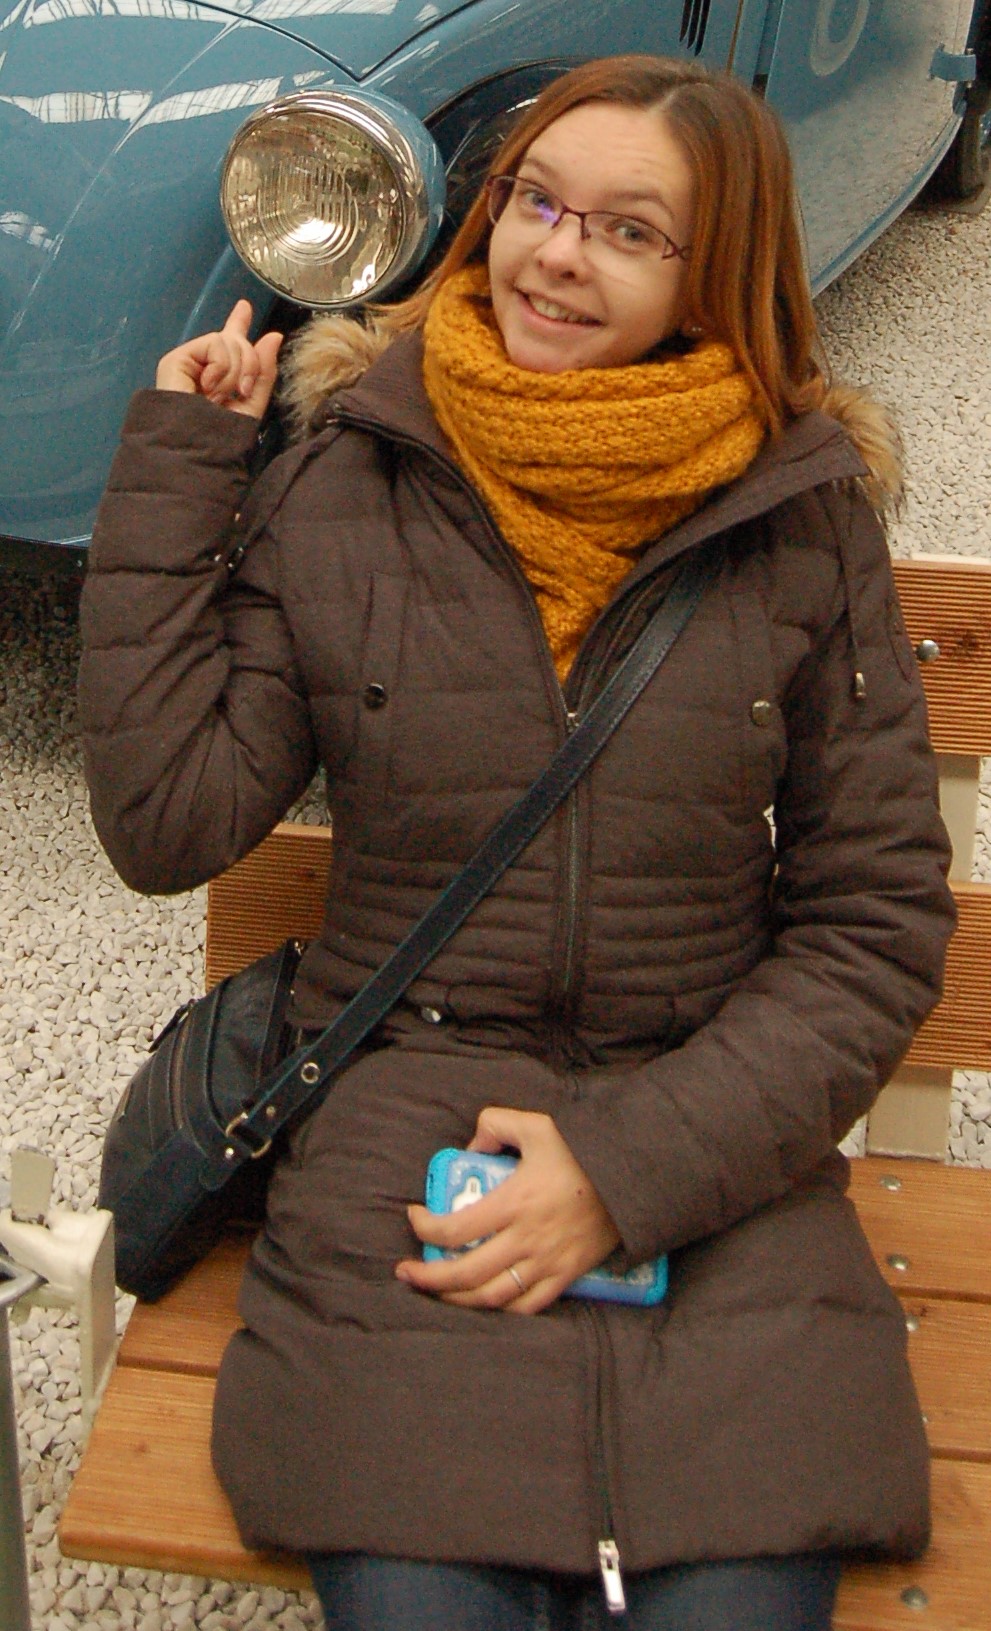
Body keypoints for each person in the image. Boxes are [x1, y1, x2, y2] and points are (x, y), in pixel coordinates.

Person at [78, 54, 955, 1631]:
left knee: (738, 1592)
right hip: (398, 1145)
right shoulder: (354, 474)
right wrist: (178, 477)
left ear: (716, 275)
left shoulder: (799, 515)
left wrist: (626, 1172)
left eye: (629, 231)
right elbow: (168, 821)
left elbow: (872, 921)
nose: (555, 255)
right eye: (536, 203)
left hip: (718, 1146)